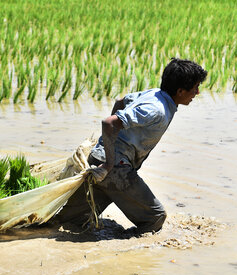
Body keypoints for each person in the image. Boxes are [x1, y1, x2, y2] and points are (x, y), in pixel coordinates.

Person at [55, 58, 207, 234]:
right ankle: (123, 251)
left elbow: (121, 101)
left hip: (98, 162)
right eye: (195, 87)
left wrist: (106, 148)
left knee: (71, 221)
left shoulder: (155, 94)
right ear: (180, 91)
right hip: (114, 170)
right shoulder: (157, 109)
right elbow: (109, 123)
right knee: (155, 218)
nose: (197, 92)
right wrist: (110, 164)